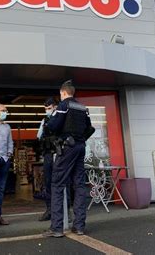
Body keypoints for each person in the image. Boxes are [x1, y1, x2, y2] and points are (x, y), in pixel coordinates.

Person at [42, 80, 93, 238]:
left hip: (67, 148)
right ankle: (79, 227)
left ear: (63, 93)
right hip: (80, 147)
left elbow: (53, 126)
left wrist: (49, 124)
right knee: (79, 185)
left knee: (57, 184)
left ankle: (56, 228)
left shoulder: (63, 106)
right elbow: (89, 128)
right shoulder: (82, 108)